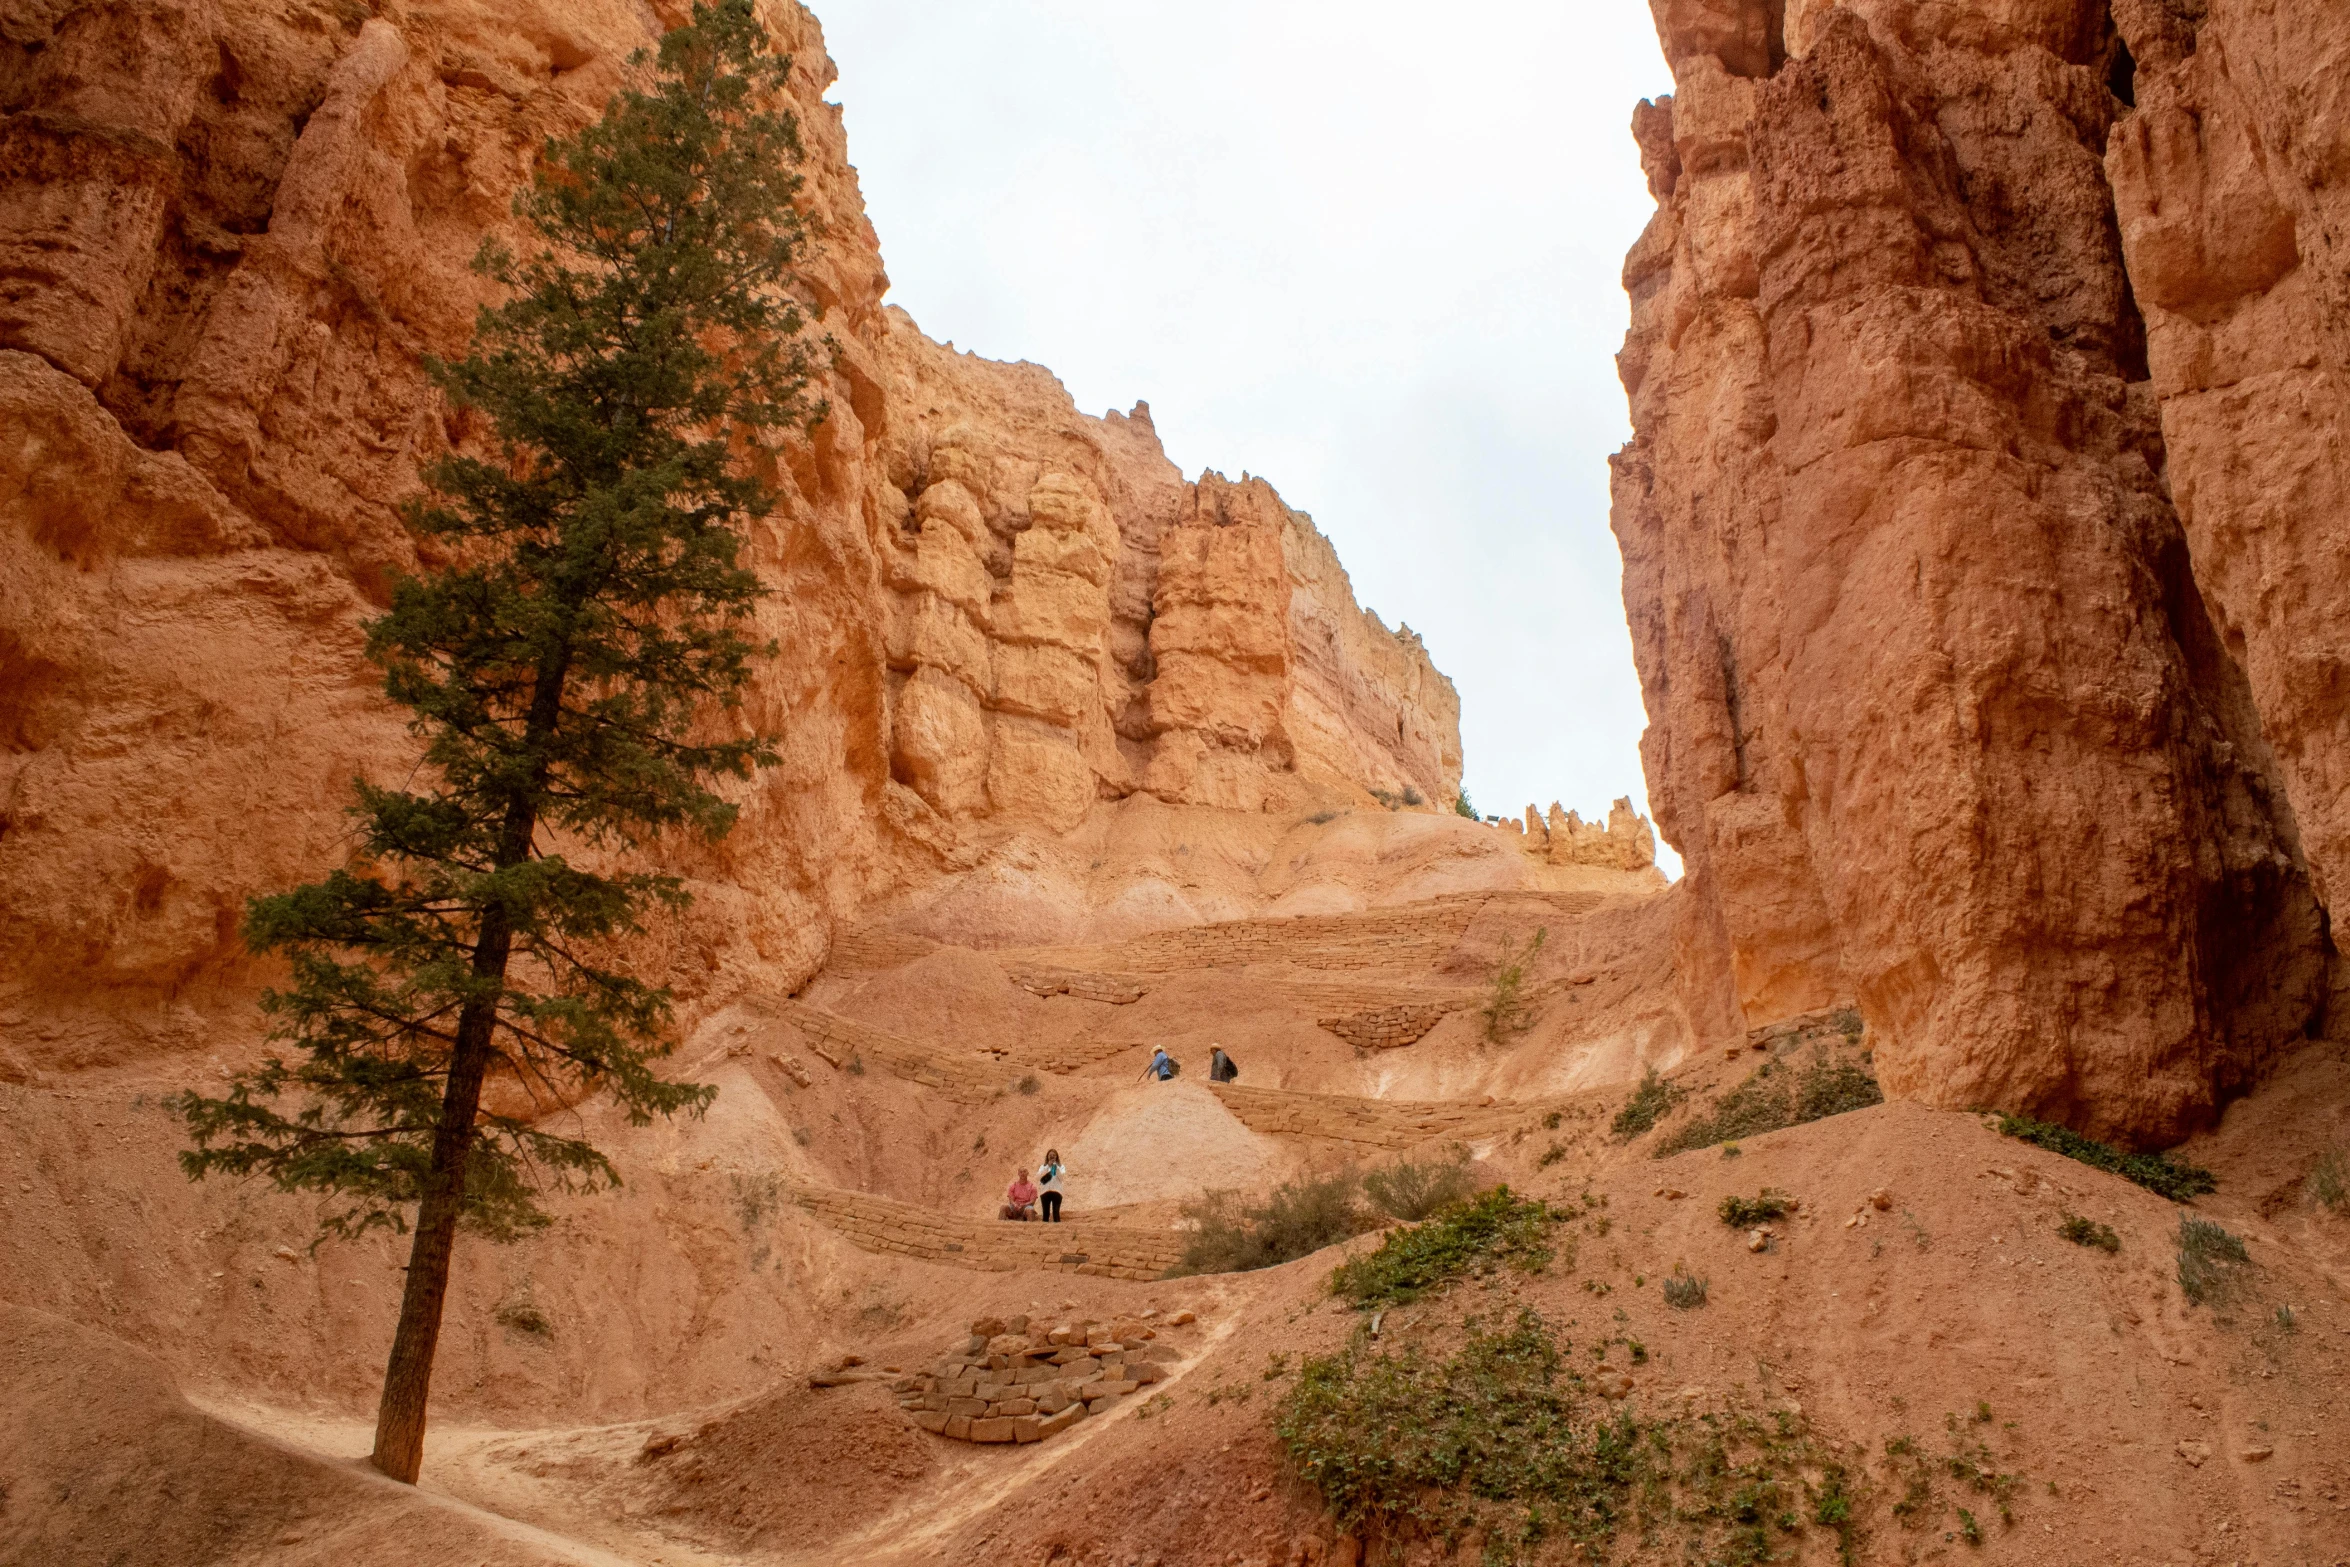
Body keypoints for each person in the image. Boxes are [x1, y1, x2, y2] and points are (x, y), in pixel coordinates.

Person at [1036, 1148, 1068, 1222]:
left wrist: (1056, 1168)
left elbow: (1062, 1178)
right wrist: (1047, 1166)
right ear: (1047, 1156)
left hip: (1057, 1191)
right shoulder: (1043, 1167)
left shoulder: (1061, 1167)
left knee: (1056, 1213)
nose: (1052, 1157)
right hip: (1045, 1191)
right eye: (1050, 1155)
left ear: (1057, 1157)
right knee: (1045, 1214)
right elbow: (1039, 1177)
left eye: (1054, 1155)